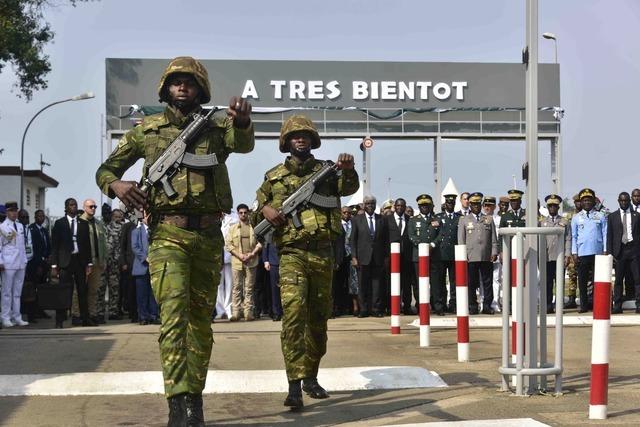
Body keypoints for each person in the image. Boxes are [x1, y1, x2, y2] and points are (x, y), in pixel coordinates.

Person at [95, 56, 255, 425]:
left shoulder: (216, 126)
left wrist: (243, 121)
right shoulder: (146, 130)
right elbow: (106, 170)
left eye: (190, 82)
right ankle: (176, 400)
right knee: (172, 319)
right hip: (167, 233)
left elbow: (241, 144)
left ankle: (194, 400)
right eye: (176, 82)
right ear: (166, 88)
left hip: (208, 235)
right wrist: (116, 184)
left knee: (200, 321)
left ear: (201, 89)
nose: (182, 87)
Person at [253, 114, 358, 409]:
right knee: (294, 317)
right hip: (292, 255)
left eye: (305, 135)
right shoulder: (274, 177)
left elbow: (346, 189)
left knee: (318, 321)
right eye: (295, 135)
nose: (300, 139)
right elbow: (256, 207)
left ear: (313, 140)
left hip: (323, 254)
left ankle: (311, 376)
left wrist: (348, 171)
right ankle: (294, 385)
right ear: (286, 142)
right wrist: (266, 210)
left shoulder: (327, 172)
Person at [50, 198, 94, 328]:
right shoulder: (59, 223)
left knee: (82, 291)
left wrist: (89, 264)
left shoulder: (83, 224)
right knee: (63, 292)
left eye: (75, 205)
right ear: (66, 207)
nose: (73, 207)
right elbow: (55, 246)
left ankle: (85, 319)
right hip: (65, 262)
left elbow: (87, 245)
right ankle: (59, 320)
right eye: (71, 205)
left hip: (79, 261)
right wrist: (54, 265)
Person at [457, 193, 498, 315]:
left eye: (478, 204)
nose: (476, 206)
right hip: (471, 256)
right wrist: (463, 255)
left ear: (481, 205)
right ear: (470, 205)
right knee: (471, 283)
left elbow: (493, 239)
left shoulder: (488, 219)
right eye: (473, 204)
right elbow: (461, 240)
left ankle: (487, 305)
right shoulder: (464, 220)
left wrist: (494, 251)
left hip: (486, 255)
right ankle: (472, 306)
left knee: (487, 282)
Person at [571, 188, 608, 313]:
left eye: (589, 200)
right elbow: (574, 236)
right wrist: (574, 253)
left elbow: (605, 234)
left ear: (593, 201)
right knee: (582, 280)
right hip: (582, 252)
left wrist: (605, 250)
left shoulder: (600, 215)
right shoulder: (576, 218)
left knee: (596, 280)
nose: (587, 202)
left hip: (597, 251)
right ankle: (584, 305)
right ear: (581, 202)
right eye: (584, 200)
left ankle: (596, 303)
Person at [351, 195, 388, 318]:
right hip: (362, 258)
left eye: (372, 203)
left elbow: (385, 240)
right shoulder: (357, 219)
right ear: (364, 205)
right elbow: (353, 240)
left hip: (378, 257)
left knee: (377, 285)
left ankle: (376, 309)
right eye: (368, 204)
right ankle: (364, 309)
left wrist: (385, 257)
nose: (370, 206)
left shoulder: (381, 219)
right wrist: (354, 257)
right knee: (362, 285)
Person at [407, 194, 444, 314]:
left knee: (435, 283)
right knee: (419, 283)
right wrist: (422, 246)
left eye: (426, 205)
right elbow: (411, 236)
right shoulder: (413, 220)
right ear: (419, 206)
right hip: (418, 256)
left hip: (434, 256)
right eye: (422, 206)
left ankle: (437, 307)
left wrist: (432, 245)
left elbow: (440, 235)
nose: (424, 208)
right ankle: (420, 306)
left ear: (430, 206)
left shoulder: (436, 220)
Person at [224, 203, 262, 321]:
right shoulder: (233, 228)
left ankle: (248, 312)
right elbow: (228, 245)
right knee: (236, 287)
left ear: (248, 213)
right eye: (241, 213)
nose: (243, 215)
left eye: (245, 212)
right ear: (238, 213)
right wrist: (239, 255)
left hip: (251, 260)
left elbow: (261, 243)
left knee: (249, 288)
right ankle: (236, 312)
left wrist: (252, 253)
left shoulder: (254, 228)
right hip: (237, 261)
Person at [607, 192, 640, 314]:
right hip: (619, 251)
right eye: (622, 200)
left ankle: (639, 304)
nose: (624, 202)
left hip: (634, 251)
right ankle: (617, 306)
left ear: (629, 201)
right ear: (618, 201)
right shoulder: (612, 217)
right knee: (619, 280)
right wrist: (610, 253)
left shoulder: (637, 215)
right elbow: (609, 236)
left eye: (626, 201)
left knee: (637, 279)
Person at [76, 199, 108, 325]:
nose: (93, 208)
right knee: (79, 290)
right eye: (90, 206)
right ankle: (78, 314)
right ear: (84, 207)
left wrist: (104, 259)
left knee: (94, 290)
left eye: (94, 206)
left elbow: (103, 243)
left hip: (97, 261)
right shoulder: (79, 222)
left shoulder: (99, 224)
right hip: (83, 262)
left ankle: (92, 314)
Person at [540, 195, 572, 314]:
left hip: (560, 256)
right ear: (547, 207)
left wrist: (567, 255)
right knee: (547, 282)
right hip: (547, 257)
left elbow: (568, 238)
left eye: (554, 206)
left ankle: (559, 306)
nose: (552, 208)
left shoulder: (564, 221)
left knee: (559, 282)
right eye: (550, 206)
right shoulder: (542, 222)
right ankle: (547, 305)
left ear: (558, 207)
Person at [0, 201, 29, 327]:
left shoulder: (20, 226)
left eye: (16, 210)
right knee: (7, 292)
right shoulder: (2, 227)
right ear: (6, 212)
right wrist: (0, 262)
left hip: (21, 263)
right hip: (8, 263)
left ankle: (17, 316)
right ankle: (5, 317)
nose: (14, 213)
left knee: (17, 292)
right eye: (11, 210)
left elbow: (22, 246)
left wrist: (25, 260)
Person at [386, 198, 416, 314]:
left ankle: (407, 306)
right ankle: (392, 307)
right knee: (392, 283)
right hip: (392, 257)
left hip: (407, 257)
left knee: (406, 283)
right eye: (398, 206)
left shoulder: (410, 220)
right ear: (394, 206)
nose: (400, 208)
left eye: (402, 206)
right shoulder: (387, 220)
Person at [435, 194, 461, 313]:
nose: (450, 205)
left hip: (454, 254)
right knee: (440, 281)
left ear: (455, 204)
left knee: (454, 282)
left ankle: (453, 304)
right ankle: (441, 305)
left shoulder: (459, 218)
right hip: (440, 254)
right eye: (448, 203)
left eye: (452, 203)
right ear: (445, 204)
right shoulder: (438, 217)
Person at [131, 211, 159, 324]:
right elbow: (135, 247)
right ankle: (143, 316)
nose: (148, 218)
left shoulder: (155, 231)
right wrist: (145, 257)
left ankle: (153, 315)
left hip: (154, 266)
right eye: (147, 216)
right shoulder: (136, 231)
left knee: (153, 293)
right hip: (141, 267)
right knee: (141, 294)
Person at [26, 209, 51, 322]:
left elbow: (47, 246)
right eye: (39, 216)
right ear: (35, 217)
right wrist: (39, 265)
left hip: (45, 263)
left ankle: (40, 310)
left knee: (42, 288)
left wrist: (49, 257)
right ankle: (32, 313)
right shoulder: (31, 229)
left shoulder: (44, 230)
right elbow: (34, 248)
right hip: (35, 265)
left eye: (42, 216)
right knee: (33, 288)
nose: (41, 218)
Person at [101, 208, 125, 321]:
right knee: (101, 287)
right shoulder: (104, 227)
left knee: (114, 288)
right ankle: (99, 312)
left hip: (115, 263)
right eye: (116, 217)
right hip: (104, 262)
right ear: (112, 217)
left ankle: (113, 311)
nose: (118, 219)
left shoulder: (123, 228)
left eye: (120, 217)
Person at [332, 206, 354, 317]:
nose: (347, 214)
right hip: (339, 259)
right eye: (344, 212)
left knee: (350, 284)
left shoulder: (354, 224)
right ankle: (337, 308)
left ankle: (349, 308)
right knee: (338, 285)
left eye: (349, 213)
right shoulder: (336, 225)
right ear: (341, 213)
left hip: (351, 259)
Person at [564, 194, 582, 309]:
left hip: (584, 248)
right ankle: (571, 298)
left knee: (585, 275)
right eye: (577, 202)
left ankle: (585, 297)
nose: (579, 204)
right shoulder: (570, 216)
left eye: (580, 201)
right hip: (573, 249)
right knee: (572, 274)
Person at [262, 238, 282, 321]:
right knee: (274, 290)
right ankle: (276, 312)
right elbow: (265, 245)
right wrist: (265, 260)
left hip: (288, 261)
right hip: (273, 262)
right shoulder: (270, 228)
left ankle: (285, 311)